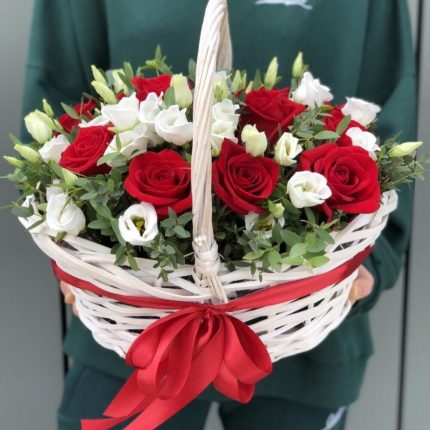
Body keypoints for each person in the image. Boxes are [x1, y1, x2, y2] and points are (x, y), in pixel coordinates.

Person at [22, 0, 416, 429]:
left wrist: (371, 265)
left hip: (306, 334)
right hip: (127, 333)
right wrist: (69, 252)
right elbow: (54, 96)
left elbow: (390, 111)